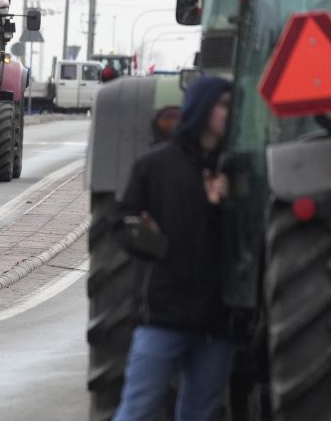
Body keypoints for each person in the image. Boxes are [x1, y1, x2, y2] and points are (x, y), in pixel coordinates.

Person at [113, 76, 234, 421]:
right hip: (163, 317)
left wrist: (219, 206)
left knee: (200, 414)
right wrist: (149, 239)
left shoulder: (233, 170)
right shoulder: (155, 166)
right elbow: (120, 225)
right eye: (223, 105)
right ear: (202, 109)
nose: (230, 113)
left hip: (216, 322)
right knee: (137, 409)